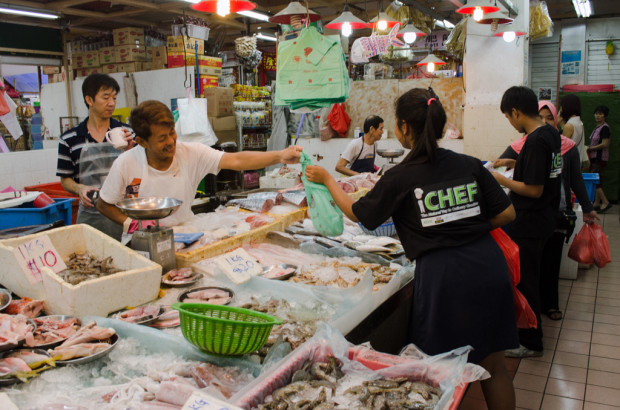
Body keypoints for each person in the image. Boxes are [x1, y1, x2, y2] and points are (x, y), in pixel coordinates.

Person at [306, 88, 519, 409]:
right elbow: (507, 213)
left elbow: (358, 214)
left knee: (436, 371)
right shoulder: (469, 165)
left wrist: (326, 178)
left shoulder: (400, 176)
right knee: (495, 367)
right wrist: (466, 228)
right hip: (488, 268)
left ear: (405, 127)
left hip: (444, 279)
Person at [97, 100, 302, 231]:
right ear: (141, 141)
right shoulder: (125, 163)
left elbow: (237, 160)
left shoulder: (191, 152)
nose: (171, 141)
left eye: (172, 132)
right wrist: (130, 224)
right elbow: (104, 204)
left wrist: (280, 156)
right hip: (140, 240)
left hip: (186, 232)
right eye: (162, 138)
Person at [494, 100, 598, 322]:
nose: (545, 121)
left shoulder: (554, 143)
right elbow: (534, 166)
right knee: (532, 269)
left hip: (547, 213)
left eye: (549, 117)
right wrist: (514, 162)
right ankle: (534, 313)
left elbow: (539, 187)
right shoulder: (537, 142)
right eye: (541, 117)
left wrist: (587, 208)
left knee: (544, 267)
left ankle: (541, 316)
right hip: (544, 213)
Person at [492, 86, 562, 358]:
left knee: (526, 282)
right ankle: (530, 333)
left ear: (516, 112)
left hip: (531, 222)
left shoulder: (535, 141)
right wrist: (514, 160)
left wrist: (501, 179)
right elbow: (543, 169)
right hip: (545, 219)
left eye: (509, 117)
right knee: (532, 278)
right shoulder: (550, 133)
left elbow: (534, 189)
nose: (510, 122)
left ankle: (531, 342)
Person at [56, 73, 135, 240]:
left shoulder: (127, 133)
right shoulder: (70, 139)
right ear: (89, 100)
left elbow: (140, 172)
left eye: (114, 97)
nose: (112, 103)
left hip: (125, 215)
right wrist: (80, 189)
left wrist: (130, 151)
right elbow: (65, 179)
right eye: (105, 97)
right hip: (89, 217)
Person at [587, 105, 612, 213]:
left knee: (596, 182)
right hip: (594, 158)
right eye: (596, 113)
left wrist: (591, 148)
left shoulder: (605, 128)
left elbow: (605, 144)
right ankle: (596, 203)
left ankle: (605, 202)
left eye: (600, 114)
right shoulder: (597, 127)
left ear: (605, 116)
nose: (597, 116)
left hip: (599, 158)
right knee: (597, 180)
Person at [559, 94, 587, 167]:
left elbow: (562, 148)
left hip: (569, 165)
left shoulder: (569, 125)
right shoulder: (579, 122)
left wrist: (558, 123)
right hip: (577, 163)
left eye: (561, 106)